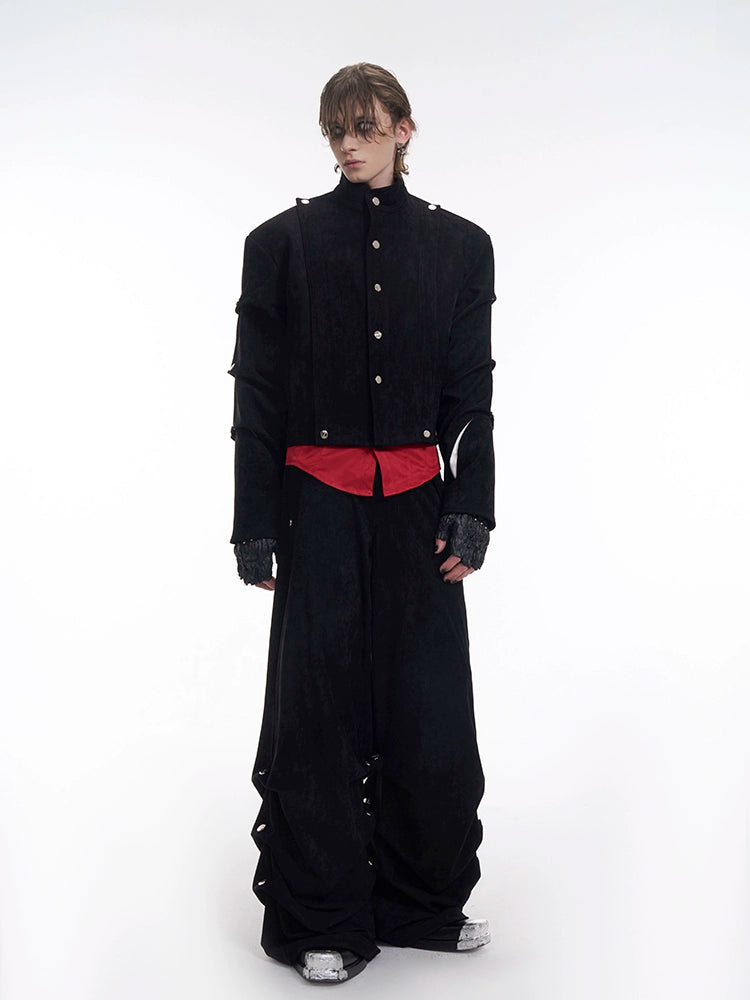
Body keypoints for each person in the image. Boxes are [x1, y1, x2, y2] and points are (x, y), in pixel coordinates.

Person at [228, 62, 496, 984]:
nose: (349, 145)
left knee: (430, 706)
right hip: (316, 505)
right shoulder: (282, 244)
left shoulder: (460, 247)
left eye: (366, 127)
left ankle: (420, 902)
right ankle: (324, 920)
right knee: (318, 711)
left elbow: (469, 394)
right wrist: (254, 521)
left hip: (419, 504)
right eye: (336, 130)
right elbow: (257, 396)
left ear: (403, 130)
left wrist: (472, 507)